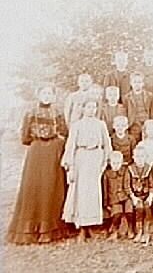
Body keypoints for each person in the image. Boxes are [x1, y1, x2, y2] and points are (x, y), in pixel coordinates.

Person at [7, 84, 68, 245]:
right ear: (38, 95)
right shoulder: (30, 112)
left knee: (51, 187)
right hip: (36, 151)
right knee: (33, 187)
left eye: (50, 93)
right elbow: (25, 137)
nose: (47, 96)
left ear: (53, 96)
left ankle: (50, 229)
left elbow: (64, 132)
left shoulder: (58, 112)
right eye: (44, 93)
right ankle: (30, 229)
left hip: (53, 151)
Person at [61, 100, 112, 242]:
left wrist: (106, 160)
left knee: (93, 193)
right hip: (81, 158)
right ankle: (81, 228)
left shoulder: (100, 124)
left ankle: (91, 226)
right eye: (88, 107)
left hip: (96, 158)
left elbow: (106, 143)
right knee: (81, 193)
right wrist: (70, 165)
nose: (91, 110)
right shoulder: (77, 125)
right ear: (83, 108)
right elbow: (70, 145)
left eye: (94, 107)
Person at [102, 151, 133, 240]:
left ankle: (130, 229)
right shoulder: (107, 174)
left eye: (118, 163)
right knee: (117, 214)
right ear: (110, 163)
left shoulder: (125, 171)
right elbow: (105, 190)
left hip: (125, 196)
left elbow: (127, 184)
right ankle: (115, 230)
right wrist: (106, 203)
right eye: (114, 163)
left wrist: (130, 196)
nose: (116, 165)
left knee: (129, 211)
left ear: (122, 162)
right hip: (114, 199)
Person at [126, 147, 153, 244]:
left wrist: (150, 196)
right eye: (137, 156)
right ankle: (139, 231)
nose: (140, 159)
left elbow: (152, 185)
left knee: (147, 207)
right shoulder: (130, 169)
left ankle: (146, 232)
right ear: (133, 157)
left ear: (146, 157)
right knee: (139, 207)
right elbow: (127, 185)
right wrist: (133, 197)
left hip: (146, 195)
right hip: (135, 196)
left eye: (142, 156)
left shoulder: (148, 169)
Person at [123, 72, 153, 142]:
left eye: (139, 82)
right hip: (134, 123)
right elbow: (126, 112)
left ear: (143, 83)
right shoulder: (127, 97)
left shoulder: (150, 96)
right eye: (135, 82)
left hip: (147, 122)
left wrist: (151, 122)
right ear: (131, 83)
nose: (137, 84)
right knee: (135, 140)